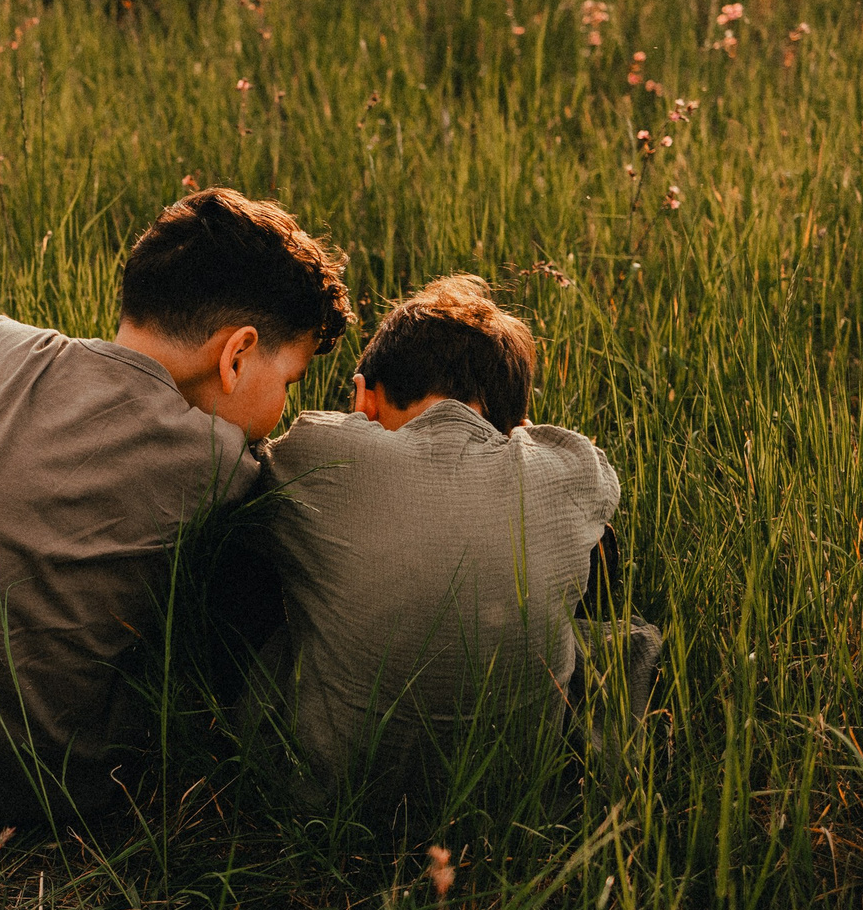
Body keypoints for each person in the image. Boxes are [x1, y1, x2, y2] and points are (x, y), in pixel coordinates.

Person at [0, 188, 353, 827]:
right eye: (289, 383)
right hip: (39, 794)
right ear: (235, 355)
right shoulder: (225, 464)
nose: (283, 410)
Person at [246, 274, 650, 808]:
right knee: (627, 639)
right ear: (517, 424)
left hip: (325, 790)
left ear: (363, 396)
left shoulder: (318, 449)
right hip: (518, 791)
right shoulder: (572, 468)